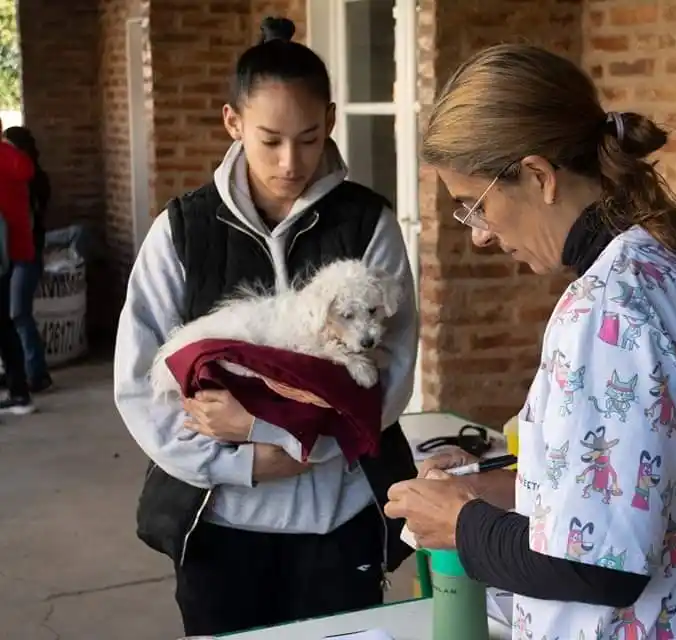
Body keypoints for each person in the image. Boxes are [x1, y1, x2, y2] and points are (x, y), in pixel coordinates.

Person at [384, 44, 676, 640]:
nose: (481, 237)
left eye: (475, 206)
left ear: (539, 176)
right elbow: (633, 482)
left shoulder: (606, 309)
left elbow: (600, 569)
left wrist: (461, 524)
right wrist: (490, 489)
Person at [114, 17, 419, 636]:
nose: (289, 162)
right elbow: (139, 383)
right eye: (269, 139)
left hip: (339, 518)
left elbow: (393, 368)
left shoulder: (367, 223)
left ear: (331, 120)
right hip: (220, 526)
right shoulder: (183, 231)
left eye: (308, 139)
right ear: (232, 123)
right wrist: (241, 463)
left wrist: (299, 444)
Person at [3, 126, 53, 393]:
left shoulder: (33, 180)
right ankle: (21, 373)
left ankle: (36, 373)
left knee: (19, 314)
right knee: (14, 316)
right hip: (14, 255)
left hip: (27, 254)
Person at [0, 121, 38, 414]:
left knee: (10, 321)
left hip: (8, 254)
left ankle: (21, 388)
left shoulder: (7, 157)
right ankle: (21, 385)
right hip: (14, 251)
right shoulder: (11, 157)